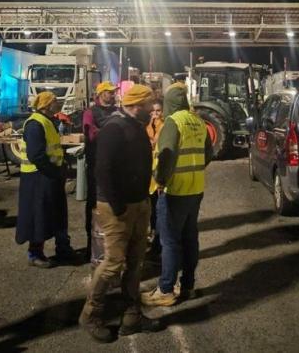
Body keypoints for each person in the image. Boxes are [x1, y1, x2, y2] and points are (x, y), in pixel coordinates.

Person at [79, 84, 162, 343]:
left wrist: (144, 200)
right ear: (137, 105)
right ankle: (90, 315)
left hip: (139, 204)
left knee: (136, 262)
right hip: (118, 208)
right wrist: (118, 206)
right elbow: (102, 170)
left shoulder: (135, 125)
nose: (153, 111)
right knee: (113, 263)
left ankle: (132, 315)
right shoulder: (114, 129)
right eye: (149, 106)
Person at [142, 83, 212, 307]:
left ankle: (165, 290)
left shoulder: (173, 122)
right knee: (190, 238)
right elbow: (208, 154)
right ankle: (188, 286)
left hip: (175, 190)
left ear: (170, 102)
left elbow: (166, 154)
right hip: (196, 188)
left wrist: (160, 180)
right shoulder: (198, 121)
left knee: (170, 241)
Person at [15, 91, 74, 268]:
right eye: (55, 101)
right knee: (38, 216)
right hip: (38, 177)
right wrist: (55, 171)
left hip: (49, 176)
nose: (59, 103)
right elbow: (36, 155)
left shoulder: (48, 121)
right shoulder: (35, 124)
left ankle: (62, 247)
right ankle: (35, 253)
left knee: (56, 213)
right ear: (47, 105)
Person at [82, 81, 118, 263]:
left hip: (115, 166)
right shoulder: (90, 113)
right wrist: (113, 130)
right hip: (96, 166)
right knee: (94, 205)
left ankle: (111, 245)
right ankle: (92, 245)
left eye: (114, 93)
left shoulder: (116, 111)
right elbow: (91, 135)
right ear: (101, 93)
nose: (113, 95)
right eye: (110, 92)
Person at [146, 99, 164, 261]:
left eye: (158, 111)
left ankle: (157, 245)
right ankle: (152, 235)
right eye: (152, 112)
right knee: (150, 211)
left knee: (158, 212)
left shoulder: (164, 127)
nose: (155, 115)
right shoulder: (146, 126)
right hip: (147, 175)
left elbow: (153, 143)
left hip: (157, 177)